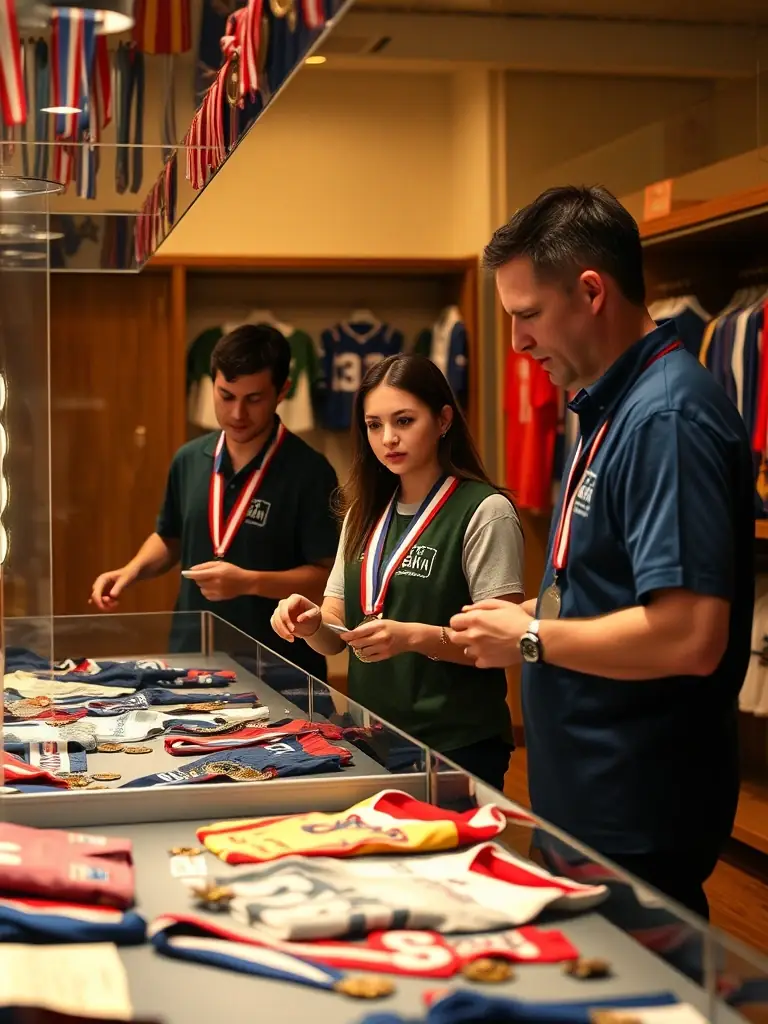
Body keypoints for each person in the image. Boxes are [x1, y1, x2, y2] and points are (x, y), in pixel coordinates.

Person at [449, 185, 756, 918]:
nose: (517, 343)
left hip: (636, 803)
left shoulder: (666, 417)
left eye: (527, 316)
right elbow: (608, 586)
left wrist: (528, 638)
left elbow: (688, 636)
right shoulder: (609, 401)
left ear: (591, 291)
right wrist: (525, 614)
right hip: (588, 793)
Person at [271, 353, 525, 789]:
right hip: (368, 737)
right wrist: (311, 622)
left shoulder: (486, 511)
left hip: (455, 744)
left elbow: (503, 644)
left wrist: (413, 637)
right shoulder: (362, 514)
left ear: (444, 419)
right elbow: (335, 635)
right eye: (374, 425)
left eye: (404, 421)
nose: (388, 438)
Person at [90, 324, 339, 681]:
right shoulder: (189, 459)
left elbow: (326, 579)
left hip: (280, 668)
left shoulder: (311, 472)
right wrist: (131, 571)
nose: (237, 413)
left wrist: (248, 582)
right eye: (225, 395)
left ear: (282, 391)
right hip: (193, 659)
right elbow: (170, 536)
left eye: (253, 399)